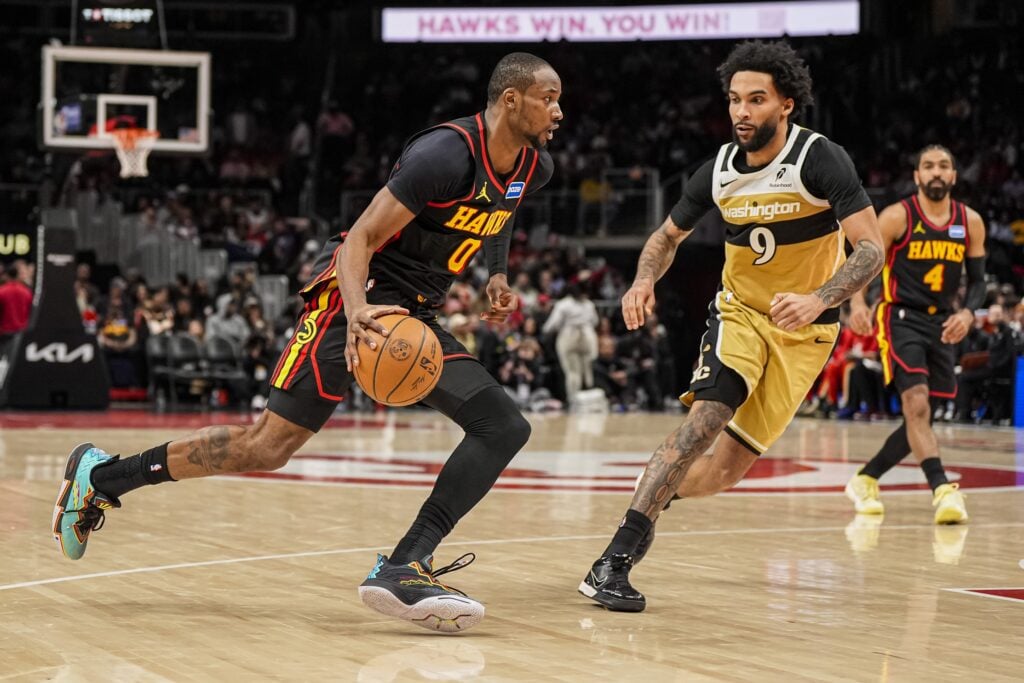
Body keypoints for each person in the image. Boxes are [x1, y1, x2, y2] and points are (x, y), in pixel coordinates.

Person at [51, 52, 562, 634]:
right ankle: (102, 476)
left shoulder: (533, 165)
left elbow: (505, 207)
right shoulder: (444, 154)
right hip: (355, 297)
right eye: (548, 97)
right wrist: (358, 310)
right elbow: (360, 239)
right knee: (265, 447)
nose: (559, 110)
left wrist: (494, 274)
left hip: (410, 317)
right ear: (512, 99)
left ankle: (404, 565)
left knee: (504, 425)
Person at [577, 40, 884, 612]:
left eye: (756, 99)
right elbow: (665, 237)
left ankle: (654, 492)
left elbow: (870, 250)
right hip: (740, 314)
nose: (742, 111)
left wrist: (820, 298)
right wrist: (645, 281)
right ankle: (612, 561)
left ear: (787, 104)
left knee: (724, 472)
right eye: (735, 100)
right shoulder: (718, 170)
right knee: (704, 421)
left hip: (805, 331)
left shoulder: (820, 159)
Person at [845, 145, 986, 523]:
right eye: (928, 166)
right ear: (917, 176)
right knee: (918, 405)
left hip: (943, 324)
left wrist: (969, 313)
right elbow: (863, 259)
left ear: (954, 176)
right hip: (899, 317)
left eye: (944, 166)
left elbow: (978, 281)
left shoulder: (969, 221)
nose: (936, 172)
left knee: (921, 419)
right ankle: (943, 491)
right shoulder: (897, 216)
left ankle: (865, 478)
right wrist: (857, 304)